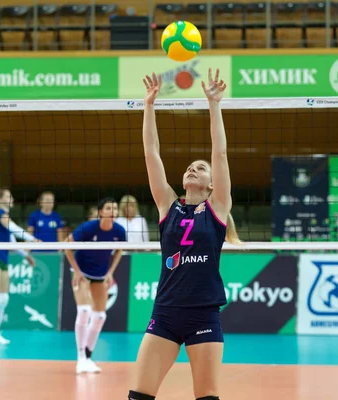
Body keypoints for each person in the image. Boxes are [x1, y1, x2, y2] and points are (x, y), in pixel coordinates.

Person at [128, 69, 241, 400]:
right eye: (190, 166)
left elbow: (219, 153)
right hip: (165, 312)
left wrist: (214, 104)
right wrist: (149, 106)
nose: (194, 168)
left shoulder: (218, 207)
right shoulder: (167, 205)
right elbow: (152, 155)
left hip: (203, 313)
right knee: (138, 396)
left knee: (206, 397)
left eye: (201, 168)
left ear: (210, 184)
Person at [64, 197, 126, 374]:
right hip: (81, 272)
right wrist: (76, 271)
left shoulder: (120, 231)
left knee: (99, 316)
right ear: (100, 212)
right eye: (108, 208)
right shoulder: (88, 228)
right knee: (84, 311)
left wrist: (110, 272)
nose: (112, 210)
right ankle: (80, 358)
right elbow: (66, 246)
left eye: (115, 208)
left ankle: (89, 357)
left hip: (100, 274)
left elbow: (120, 250)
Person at [0, 188, 38, 346]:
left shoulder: (4, 217)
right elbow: (14, 229)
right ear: (0, 199)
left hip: (4, 258)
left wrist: (26, 256)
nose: (11, 198)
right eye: (8, 196)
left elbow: (11, 241)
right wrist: (32, 239)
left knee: (3, 297)